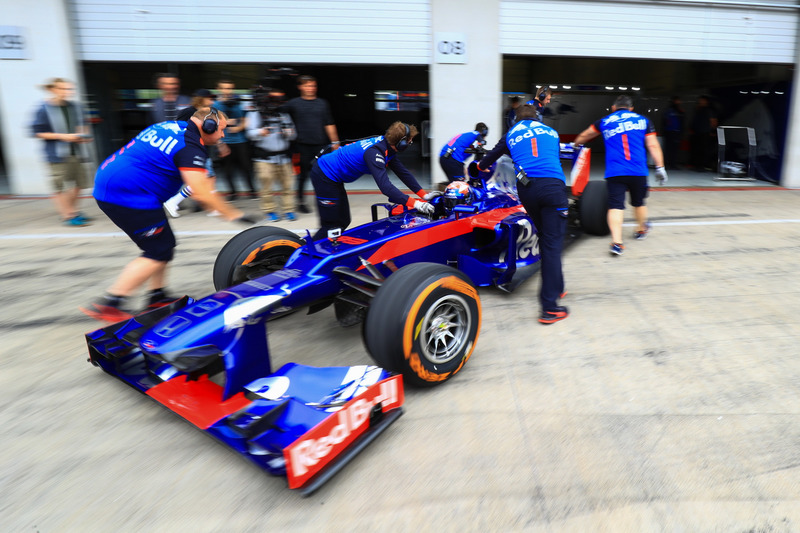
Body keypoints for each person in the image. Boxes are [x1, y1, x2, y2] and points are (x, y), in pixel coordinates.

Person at [80, 107, 255, 322]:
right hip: (128, 195)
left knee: (163, 245)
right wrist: (233, 214)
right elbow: (201, 192)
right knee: (158, 251)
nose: (222, 136)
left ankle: (157, 296)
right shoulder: (190, 146)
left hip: (116, 185)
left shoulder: (168, 126)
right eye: (220, 130)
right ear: (207, 126)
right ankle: (110, 303)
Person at [469, 104, 569, 325]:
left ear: (516, 119)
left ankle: (557, 287)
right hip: (552, 187)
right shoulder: (551, 132)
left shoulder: (511, 133)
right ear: (538, 118)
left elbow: (487, 161)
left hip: (528, 191)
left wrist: (478, 168)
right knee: (553, 243)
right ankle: (550, 307)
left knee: (546, 239)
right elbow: (553, 156)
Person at [573, 94, 668, 256]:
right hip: (638, 171)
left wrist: (576, 144)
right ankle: (640, 230)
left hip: (615, 171)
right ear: (631, 108)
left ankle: (617, 243)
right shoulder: (643, 120)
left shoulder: (604, 121)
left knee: (616, 206)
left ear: (614, 108)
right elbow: (652, 144)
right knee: (639, 202)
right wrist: (660, 167)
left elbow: (584, 136)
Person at [310, 121, 435, 241]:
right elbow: (386, 187)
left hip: (333, 177)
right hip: (324, 175)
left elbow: (403, 173)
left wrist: (424, 195)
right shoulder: (375, 153)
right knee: (331, 226)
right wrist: (416, 204)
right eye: (409, 141)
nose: (410, 143)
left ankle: (329, 247)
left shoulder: (386, 146)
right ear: (400, 143)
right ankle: (304, 252)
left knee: (343, 220)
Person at [30, 77, 94, 227]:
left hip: (77, 153)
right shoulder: (43, 109)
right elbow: (37, 132)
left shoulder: (75, 107)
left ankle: (72, 211)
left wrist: (83, 135)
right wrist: (63, 136)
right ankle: (68, 215)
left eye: (69, 89)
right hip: (56, 154)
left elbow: (83, 124)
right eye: (63, 89)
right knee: (59, 187)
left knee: (79, 184)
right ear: (52, 90)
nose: (67, 92)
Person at [163, 89, 228, 217]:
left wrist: (220, 144)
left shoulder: (207, 113)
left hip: (202, 150)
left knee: (207, 179)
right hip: (192, 150)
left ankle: (176, 202)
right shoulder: (188, 112)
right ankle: (175, 201)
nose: (212, 101)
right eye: (209, 98)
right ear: (201, 99)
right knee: (205, 179)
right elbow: (177, 129)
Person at [283, 75, 340, 214]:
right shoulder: (293, 104)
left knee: (325, 174)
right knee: (302, 176)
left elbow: (329, 123)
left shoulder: (322, 103)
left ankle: (326, 199)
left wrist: (335, 142)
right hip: (302, 145)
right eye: (307, 85)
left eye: (313, 86)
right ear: (300, 87)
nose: (311, 88)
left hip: (321, 145)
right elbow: (278, 117)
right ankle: (300, 202)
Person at [246, 86, 297, 222]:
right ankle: (270, 210)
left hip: (283, 157)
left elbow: (293, 133)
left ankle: (288, 209)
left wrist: (288, 133)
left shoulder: (283, 115)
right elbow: (249, 133)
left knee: (287, 185)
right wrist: (260, 132)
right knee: (266, 186)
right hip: (264, 158)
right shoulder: (255, 114)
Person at [213, 79, 256, 199]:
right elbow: (212, 125)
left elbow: (245, 121)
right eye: (225, 88)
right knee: (227, 169)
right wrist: (225, 123)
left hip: (240, 141)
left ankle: (252, 190)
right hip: (225, 141)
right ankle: (232, 192)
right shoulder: (216, 105)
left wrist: (238, 128)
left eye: (230, 88)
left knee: (246, 167)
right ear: (219, 89)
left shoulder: (238, 103)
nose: (227, 91)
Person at [689, 95, 718, 172]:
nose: (700, 102)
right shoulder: (698, 110)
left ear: (706, 101)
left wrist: (713, 131)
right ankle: (697, 165)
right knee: (697, 149)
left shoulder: (709, 110)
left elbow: (713, 121)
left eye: (702, 100)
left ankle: (702, 166)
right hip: (697, 132)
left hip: (705, 132)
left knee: (704, 150)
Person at [662, 96, 685, 170]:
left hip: (676, 132)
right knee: (668, 148)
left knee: (674, 149)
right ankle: (667, 163)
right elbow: (665, 121)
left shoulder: (679, 111)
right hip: (669, 132)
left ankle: (672, 164)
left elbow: (682, 122)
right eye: (676, 101)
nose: (678, 102)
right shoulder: (669, 110)